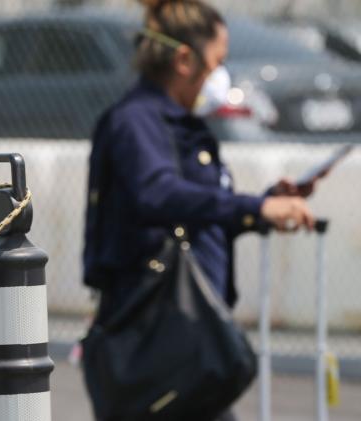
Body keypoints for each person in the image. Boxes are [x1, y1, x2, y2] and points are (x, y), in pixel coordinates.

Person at [83, 0, 315, 420]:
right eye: (218, 61)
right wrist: (256, 207)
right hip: (154, 341)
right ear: (185, 59)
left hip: (189, 348)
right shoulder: (136, 122)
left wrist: (262, 205)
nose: (221, 75)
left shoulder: (182, 126)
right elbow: (158, 194)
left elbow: (199, 217)